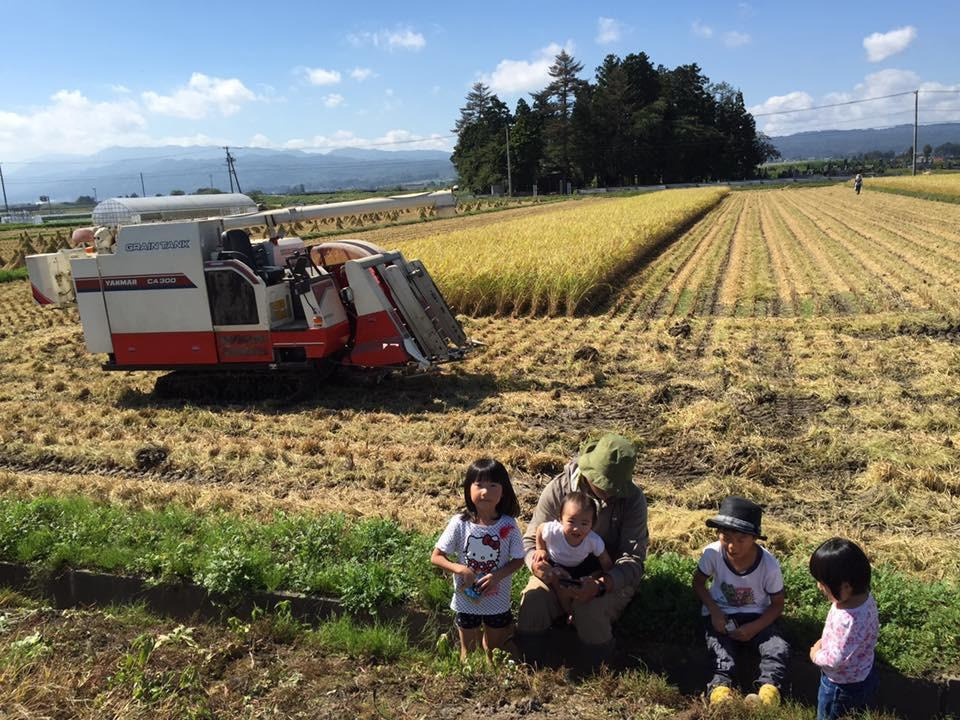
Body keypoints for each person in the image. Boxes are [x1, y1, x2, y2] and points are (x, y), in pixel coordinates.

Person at [517, 433, 648, 671]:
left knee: (590, 611)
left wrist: (602, 583)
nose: (608, 493)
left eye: (614, 487)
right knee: (534, 602)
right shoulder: (559, 488)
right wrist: (538, 565)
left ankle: (596, 673)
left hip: (605, 572)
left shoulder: (633, 501)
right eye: (603, 484)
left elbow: (634, 559)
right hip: (559, 568)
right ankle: (533, 667)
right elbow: (530, 538)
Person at [692, 496, 789, 706]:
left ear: (754, 538)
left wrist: (755, 627)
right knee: (721, 653)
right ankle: (720, 693)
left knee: (776, 648)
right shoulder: (712, 554)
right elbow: (699, 583)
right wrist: (715, 611)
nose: (732, 546)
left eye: (741, 539)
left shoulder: (769, 566)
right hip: (722, 615)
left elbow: (777, 604)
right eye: (725, 537)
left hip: (757, 615)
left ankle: (767, 693)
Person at [431, 458, 525, 661]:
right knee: (468, 648)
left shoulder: (507, 525)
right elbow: (437, 557)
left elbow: (519, 559)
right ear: (468, 489)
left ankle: (491, 679)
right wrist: (459, 569)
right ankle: (468, 680)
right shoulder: (460, 523)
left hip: (497, 600)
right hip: (467, 599)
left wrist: (496, 576)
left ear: (503, 491)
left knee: (493, 647)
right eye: (479, 485)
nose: (485, 492)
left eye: (492, 486)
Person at [809, 538, 879, 720]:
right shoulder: (866, 599)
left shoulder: (846, 619)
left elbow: (835, 659)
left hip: (839, 685)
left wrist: (816, 653)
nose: (819, 587)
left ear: (846, 586)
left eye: (823, 584)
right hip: (864, 673)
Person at [533, 490, 614, 623]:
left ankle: (583, 598)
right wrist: (540, 549)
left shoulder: (593, 540)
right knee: (559, 585)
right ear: (560, 519)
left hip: (581, 564)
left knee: (591, 576)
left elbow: (604, 558)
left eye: (584, 523)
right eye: (571, 521)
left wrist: (608, 575)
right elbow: (540, 529)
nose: (577, 529)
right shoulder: (554, 531)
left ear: (592, 524)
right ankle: (569, 612)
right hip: (557, 563)